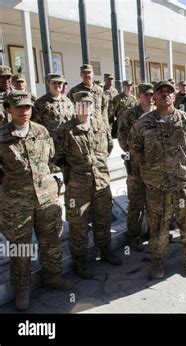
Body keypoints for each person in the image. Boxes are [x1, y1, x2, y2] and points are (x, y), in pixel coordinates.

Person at [0, 91, 73, 311]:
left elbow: (51, 157)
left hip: (46, 196)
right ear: (8, 109)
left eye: (28, 107)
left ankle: (52, 275)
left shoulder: (42, 131)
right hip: (16, 202)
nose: (24, 111)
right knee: (20, 246)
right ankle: (22, 287)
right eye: (19, 107)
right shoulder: (2, 136)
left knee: (50, 239)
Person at [129, 80, 186, 279]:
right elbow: (135, 149)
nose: (165, 94)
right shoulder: (143, 123)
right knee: (158, 226)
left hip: (182, 183)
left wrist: (184, 162)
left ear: (174, 97)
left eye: (169, 92)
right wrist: (150, 168)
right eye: (160, 91)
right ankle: (157, 261)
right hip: (156, 186)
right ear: (153, 97)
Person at [53, 91, 121, 280]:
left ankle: (105, 250)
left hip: (101, 183)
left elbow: (107, 148)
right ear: (76, 106)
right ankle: (80, 261)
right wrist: (75, 169)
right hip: (78, 186)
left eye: (89, 104)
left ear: (92, 106)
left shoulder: (100, 126)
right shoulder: (66, 130)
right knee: (78, 224)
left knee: (103, 218)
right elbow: (56, 156)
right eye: (82, 104)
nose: (86, 107)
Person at [117, 83, 156, 252]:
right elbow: (122, 140)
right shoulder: (129, 115)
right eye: (146, 94)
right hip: (137, 167)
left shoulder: (159, 113)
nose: (150, 97)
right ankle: (134, 237)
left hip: (157, 168)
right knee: (136, 203)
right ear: (139, 96)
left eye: (152, 94)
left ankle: (155, 233)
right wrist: (138, 154)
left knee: (155, 203)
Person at [32, 74, 75, 138]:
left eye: (60, 83)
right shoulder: (41, 102)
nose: (57, 85)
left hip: (67, 140)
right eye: (54, 83)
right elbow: (34, 124)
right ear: (48, 84)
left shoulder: (68, 101)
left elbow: (73, 119)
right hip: (50, 140)